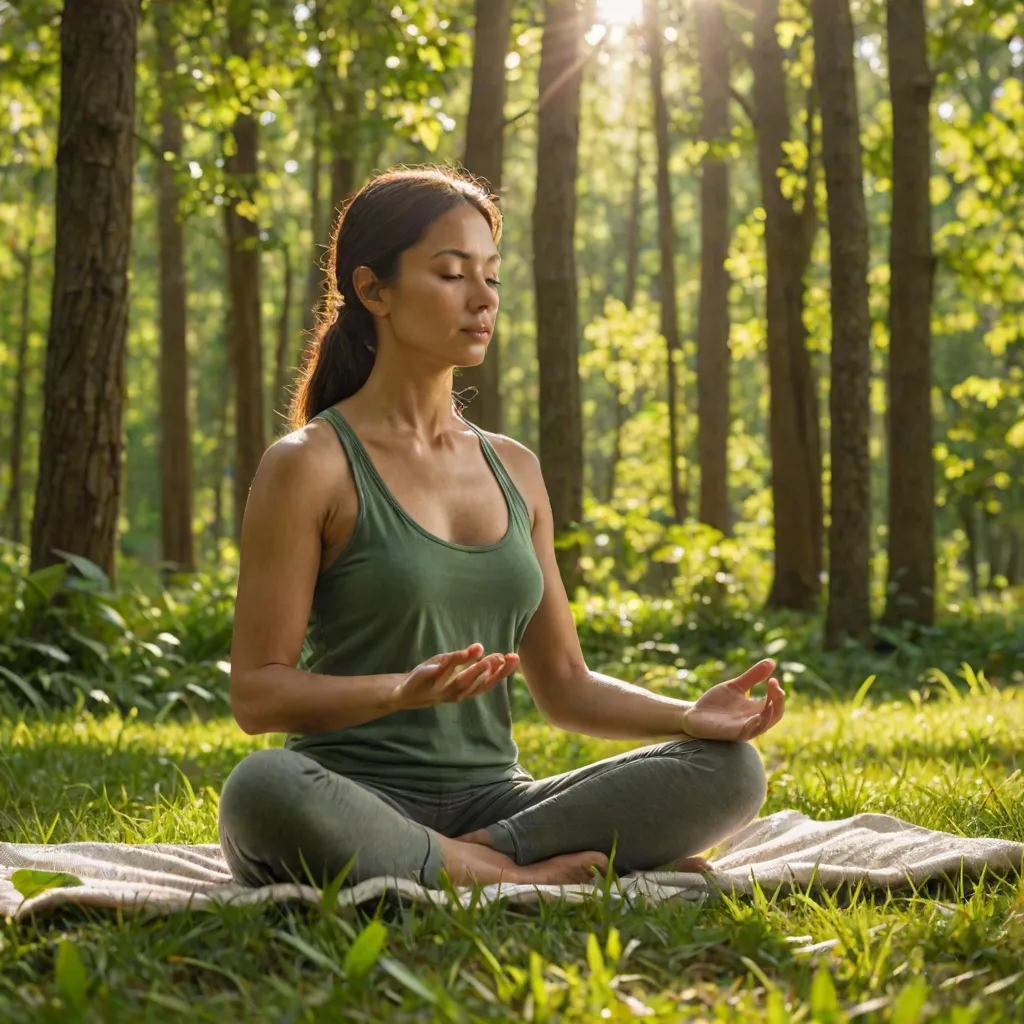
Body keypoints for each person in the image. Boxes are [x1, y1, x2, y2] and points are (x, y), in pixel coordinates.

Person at [218, 165, 786, 891]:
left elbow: (566, 685)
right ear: (373, 290)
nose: (483, 297)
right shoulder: (309, 464)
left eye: (490, 275)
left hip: (499, 804)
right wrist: (396, 692)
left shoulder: (515, 468)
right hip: (350, 797)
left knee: (731, 769)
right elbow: (257, 696)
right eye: (452, 274)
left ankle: (482, 857)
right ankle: (505, 870)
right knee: (263, 788)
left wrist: (688, 716)